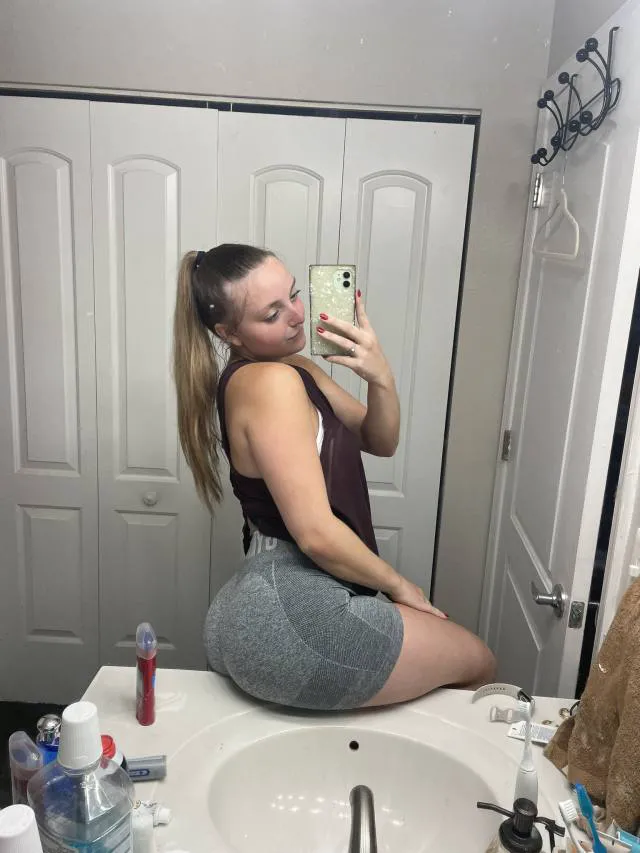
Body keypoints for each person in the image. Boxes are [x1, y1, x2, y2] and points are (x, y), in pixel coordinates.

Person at [173, 243, 495, 710]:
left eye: (294, 295)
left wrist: (380, 377)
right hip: (292, 605)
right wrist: (399, 587)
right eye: (272, 314)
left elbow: (379, 439)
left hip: (267, 598)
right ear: (228, 333)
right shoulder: (268, 383)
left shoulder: (295, 369)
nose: (297, 316)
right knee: (479, 663)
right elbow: (316, 535)